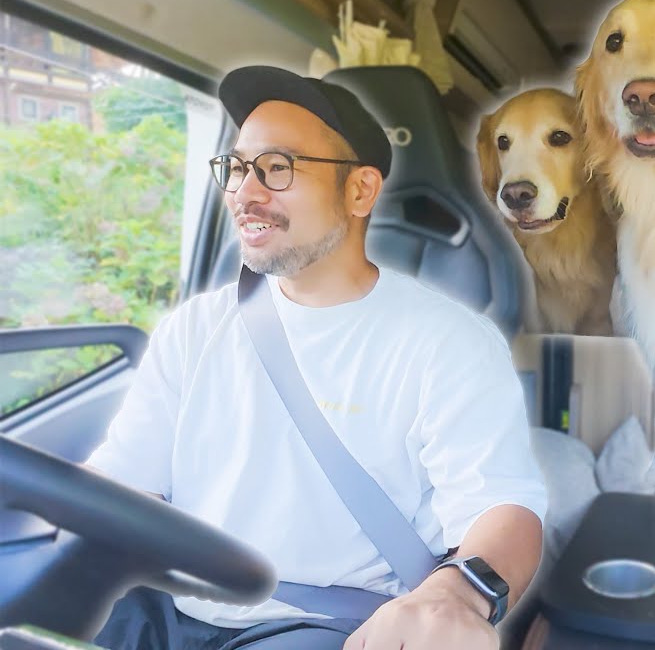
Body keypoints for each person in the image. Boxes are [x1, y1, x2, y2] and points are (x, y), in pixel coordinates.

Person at [88, 66, 547, 650]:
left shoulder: (446, 341)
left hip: (317, 627)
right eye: (235, 168)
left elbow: (501, 509)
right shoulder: (195, 327)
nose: (244, 193)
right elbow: (124, 484)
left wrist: (451, 595)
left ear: (359, 190)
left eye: (277, 168)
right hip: (163, 609)